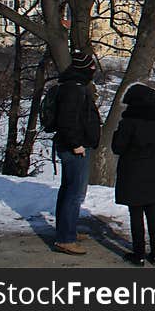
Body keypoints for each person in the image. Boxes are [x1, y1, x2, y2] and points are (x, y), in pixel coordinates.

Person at [112, 83, 155, 266]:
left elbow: (118, 147)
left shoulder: (128, 121)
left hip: (131, 169)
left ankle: (139, 254)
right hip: (151, 167)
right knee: (152, 212)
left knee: (135, 213)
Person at [53, 50, 101, 255]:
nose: (93, 71)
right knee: (74, 193)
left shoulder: (73, 86)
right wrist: (76, 144)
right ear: (84, 69)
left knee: (68, 190)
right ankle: (66, 238)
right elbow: (67, 120)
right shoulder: (74, 89)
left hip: (74, 145)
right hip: (75, 148)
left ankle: (67, 229)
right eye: (91, 68)